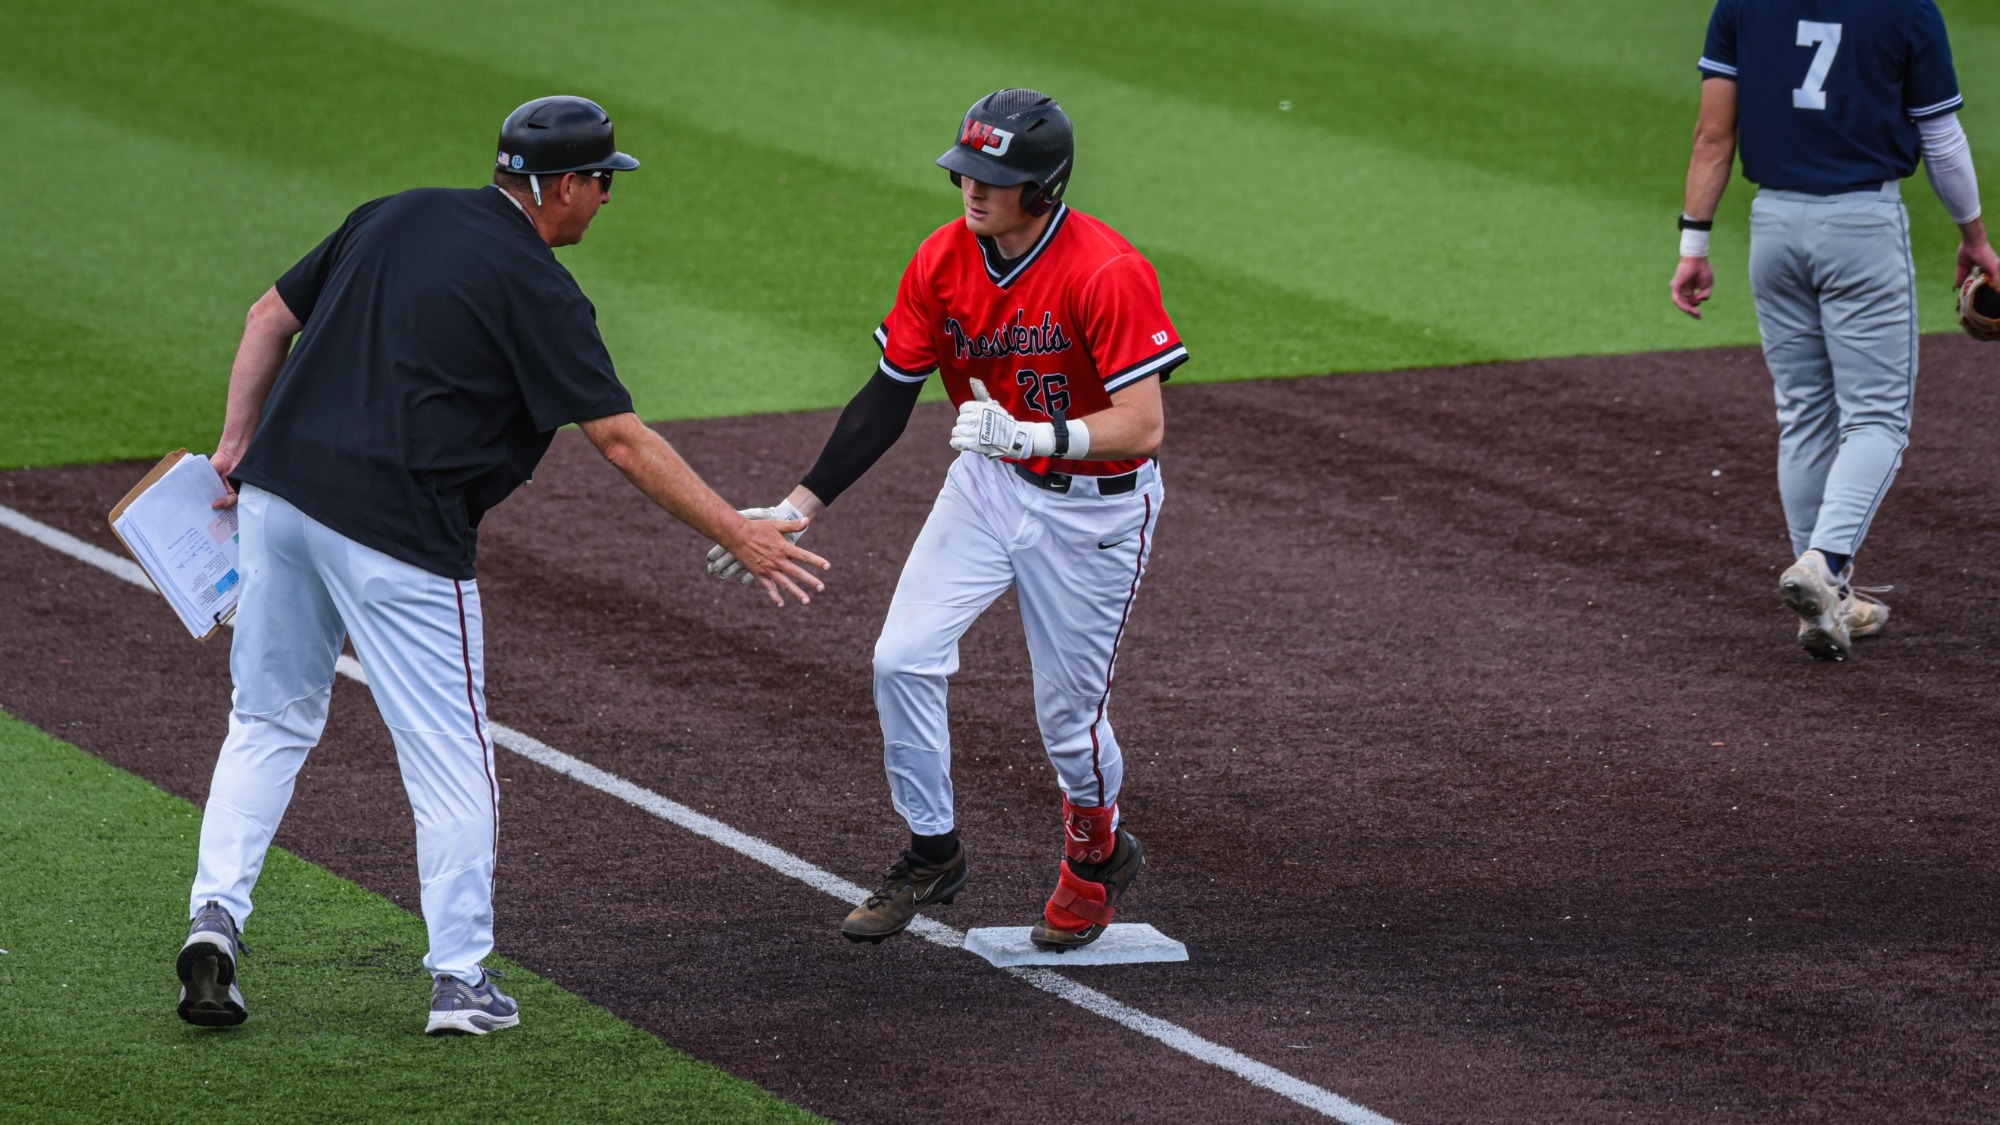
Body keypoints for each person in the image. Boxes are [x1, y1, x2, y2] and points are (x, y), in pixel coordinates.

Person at [173, 96, 828, 1035]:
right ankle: (460, 980)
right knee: (452, 755)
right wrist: (737, 530)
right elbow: (621, 440)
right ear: (562, 186)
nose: (607, 198)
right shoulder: (541, 287)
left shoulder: (394, 212)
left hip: (277, 502)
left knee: (266, 720)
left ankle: (215, 918)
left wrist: (236, 447)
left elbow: (267, 316)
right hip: (398, 534)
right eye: (602, 181)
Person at [706, 89, 1187, 950]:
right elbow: (889, 395)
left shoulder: (1105, 270)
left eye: (991, 177)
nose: (971, 188)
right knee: (901, 658)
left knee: (1068, 723)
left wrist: (1036, 434)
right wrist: (795, 507)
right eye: (964, 171)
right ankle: (933, 849)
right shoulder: (942, 259)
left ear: (1043, 186)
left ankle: (1096, 854)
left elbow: (1143, 425)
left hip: (1097, 511)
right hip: (989, 486)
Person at [1671, 0, 1995, 660]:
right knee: (1877, 419)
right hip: (1861, 228)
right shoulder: (1907, 9)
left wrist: (1693, 245)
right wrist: (1976, 239)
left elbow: (1712, 138)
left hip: (1772, 229)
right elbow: (1940, 138)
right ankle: (1825, 565)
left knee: (1804, 413)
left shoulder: (1741, 5)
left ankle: (1828, 600)